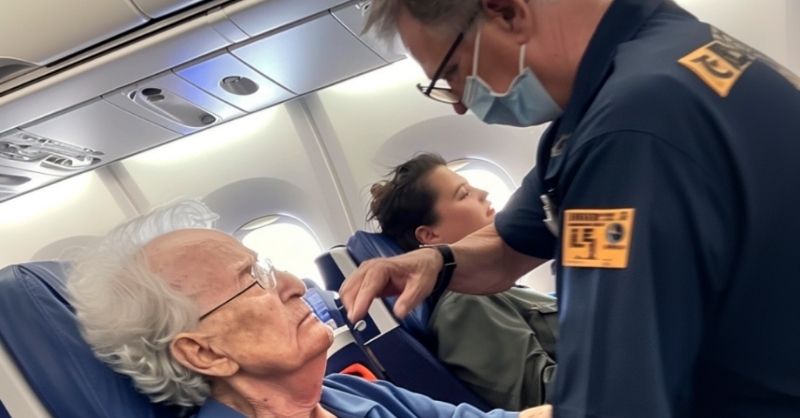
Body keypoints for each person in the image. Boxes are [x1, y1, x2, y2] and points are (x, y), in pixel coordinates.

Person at [340, 0, 800, 417]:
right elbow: (507, 244)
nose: (459, 103)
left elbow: (612, 405)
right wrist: (437, 261)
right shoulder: (664, 56)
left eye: (454, 72)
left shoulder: (627, 132)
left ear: (507, 12)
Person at [66, 199, 552, 418]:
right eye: (253, 280)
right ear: (205, 353)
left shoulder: (346, 394)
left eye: (269, 267)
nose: (295, 284)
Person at [368, 152, 557, 410]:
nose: (483, 193)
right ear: (430, 235)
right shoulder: (465, 302)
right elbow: (541, 398)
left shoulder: (492, 285)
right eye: (464, 194)